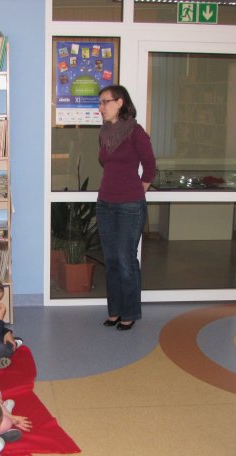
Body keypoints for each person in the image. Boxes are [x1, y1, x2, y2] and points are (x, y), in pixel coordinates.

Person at [96, 84, 156, 331]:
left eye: (105, 102)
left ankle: (129, 313)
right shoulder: (104, 133)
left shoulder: (135, 132)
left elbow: (150, 166)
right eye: (100, 103)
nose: (101, 107)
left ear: (119, 103)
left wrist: (137, 191)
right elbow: (108, 166)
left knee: (125, 260)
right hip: (105, 203)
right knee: (110, 260)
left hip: (130, 205)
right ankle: (115, 311)